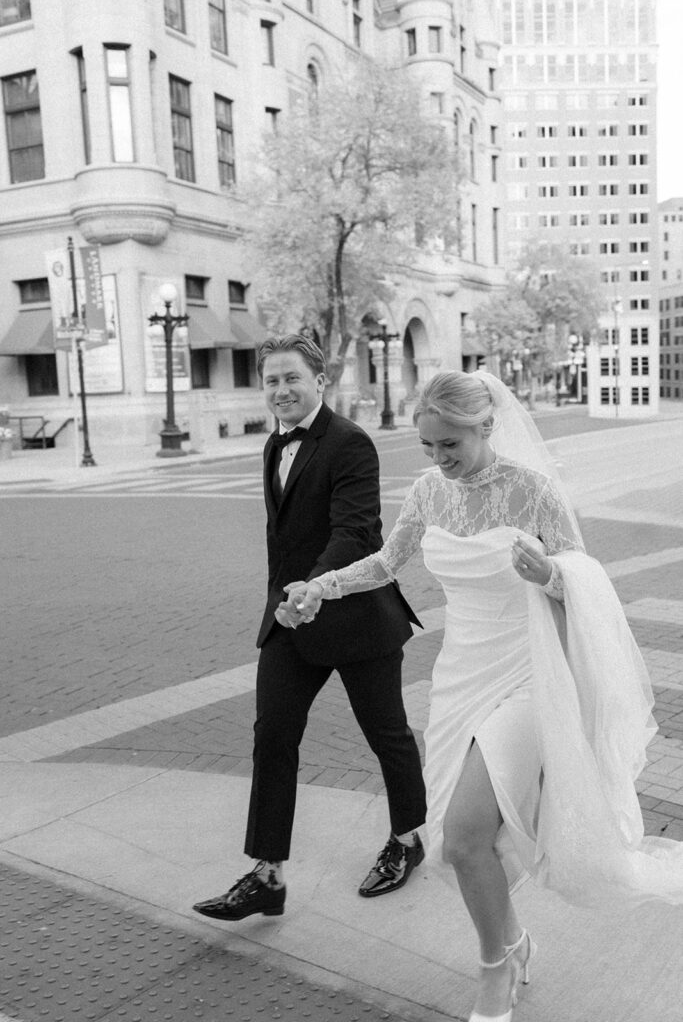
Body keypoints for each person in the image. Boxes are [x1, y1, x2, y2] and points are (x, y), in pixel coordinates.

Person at [280, 369, 683, 1022]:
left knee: (467, 837)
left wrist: (550, 573)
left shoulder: (531, 491)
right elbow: (385, 562)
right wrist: (318, 587)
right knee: (454, 845)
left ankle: (494, 972)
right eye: (428, 447)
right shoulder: (429, 492)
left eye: (451, 446)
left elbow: (586, 583)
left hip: (526, 677)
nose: (440, 460)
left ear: (485, 428)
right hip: (461, 677)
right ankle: (514, 942)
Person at [193, 333, 427, 924]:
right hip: (290, 620)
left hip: (356, 616)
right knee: (273, 736)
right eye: (270, 380)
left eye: (291, 378)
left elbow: (355, 532)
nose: (280, 390)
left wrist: (316, 584)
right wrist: (284, 599)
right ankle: (267, 874)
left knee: (387, 734)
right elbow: (285, 539)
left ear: (320, 382)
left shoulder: (351, 443)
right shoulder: (273, 444)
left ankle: (407, 838)